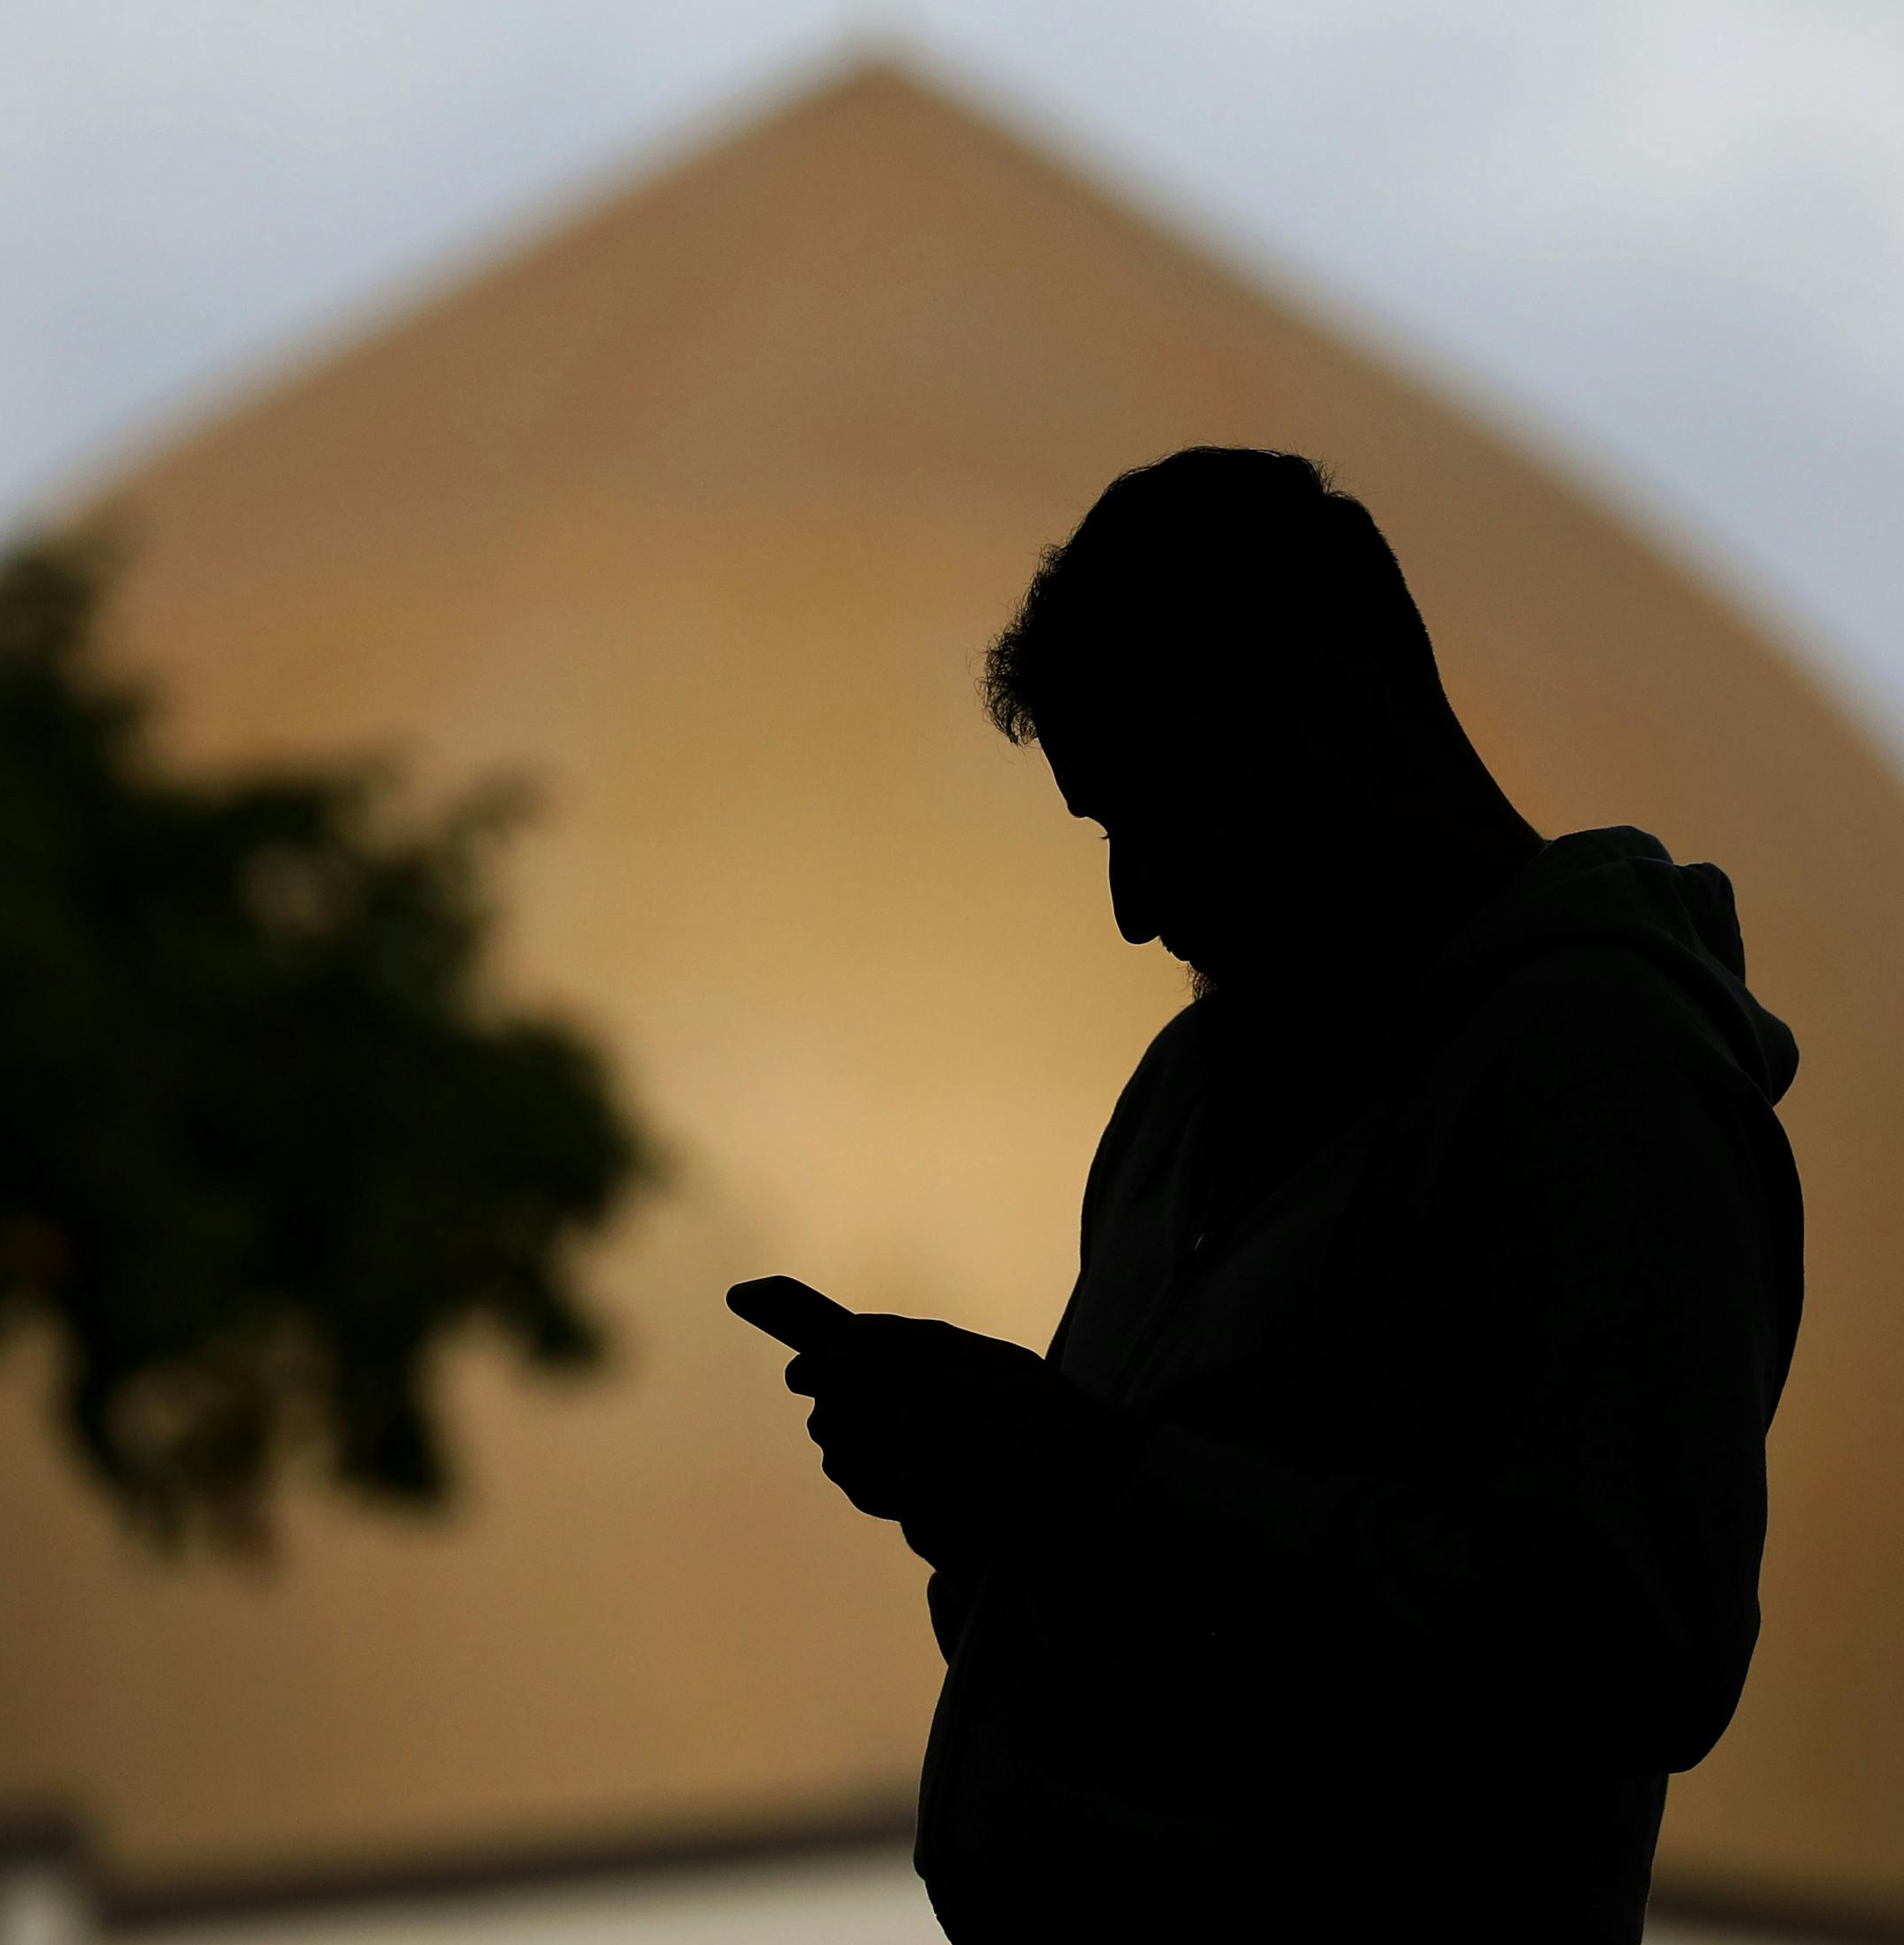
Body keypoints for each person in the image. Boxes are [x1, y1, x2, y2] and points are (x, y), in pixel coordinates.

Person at [754, 447, 1804, 1941]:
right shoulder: (1192, 1095)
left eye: (1161, 810)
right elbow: (1188, 1612)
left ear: (1333, 721)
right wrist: (987, 1508)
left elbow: (1621, 1650)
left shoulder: (1600, 1071)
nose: (1132, 908)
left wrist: (1089, 1481)